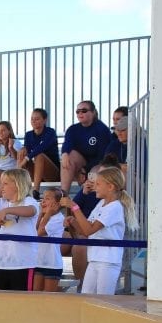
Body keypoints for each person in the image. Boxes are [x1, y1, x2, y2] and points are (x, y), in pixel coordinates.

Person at [60, 167, 138, 295]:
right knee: (86, 296)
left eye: (98, 184)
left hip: (108, 260)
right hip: (95, 258)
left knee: (104, 299)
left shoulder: (115, 207)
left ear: (110, 187)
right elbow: (85, 231)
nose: (94, 187)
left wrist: (74, 207)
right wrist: (74, 223)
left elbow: (90, 230)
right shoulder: (101, 203)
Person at [0, 168, 39, 291]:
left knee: (22, 301)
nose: (1, 187)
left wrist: (6, 211)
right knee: (2, 300)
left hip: (23, 263)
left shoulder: (28, 201)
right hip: (2, 263)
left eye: (5, 183)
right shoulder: (0, 202)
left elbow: (31, 210)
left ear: (18, 185)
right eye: (1, 183)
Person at [59, 100, 112, 193]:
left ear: (93, 112)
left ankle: (90, 200)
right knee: (68, 157)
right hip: (81, 164)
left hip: (97, 164)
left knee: (93, 174)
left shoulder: (102, 129)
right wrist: (64, 154)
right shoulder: (73, 129)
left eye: (84, 110)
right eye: (78, 111)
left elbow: (102, 156)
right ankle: (64, 195)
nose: (80, 113)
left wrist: (85, 171)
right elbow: (67, 145)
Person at [17, 108, 61, 199]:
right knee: (22, 152)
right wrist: (24, 151)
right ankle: (19, 188)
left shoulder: (50, 132)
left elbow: (42, 147)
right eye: (32, 119)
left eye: (37, 119)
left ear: (44, 120)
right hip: (37, 173)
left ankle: (35, 192)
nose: (33, 121)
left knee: (39, 155)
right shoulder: (28, 135)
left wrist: (27, 158)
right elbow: (27, 151)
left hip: (52, 173)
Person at [34, 188, 66, 292]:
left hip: (51, 264)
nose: (43, 201)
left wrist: (47, 214)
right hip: (38, 261)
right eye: (43, 198)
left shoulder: (59, 218)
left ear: (57, 204)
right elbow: (33, 231)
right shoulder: (45, 217)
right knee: (35, 297)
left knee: (48, 299)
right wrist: (40, 214)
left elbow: (40, 232)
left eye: (47, 199)